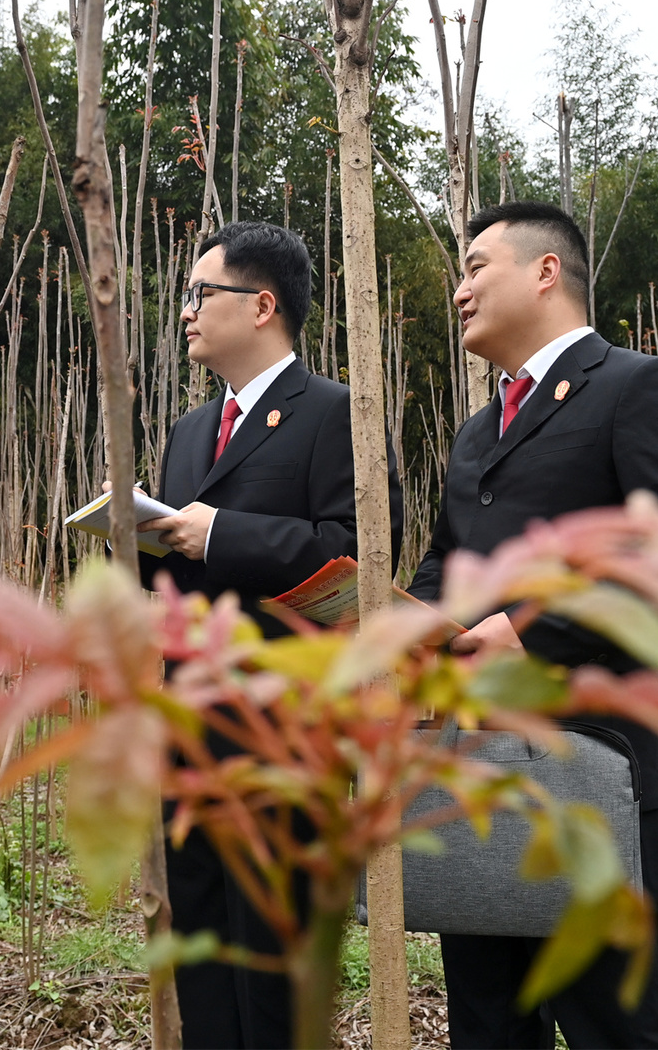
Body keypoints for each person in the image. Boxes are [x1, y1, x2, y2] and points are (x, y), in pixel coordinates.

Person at [407, 201, 658, 1049]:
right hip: (474, 773)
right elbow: (448, 562)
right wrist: (409, 627)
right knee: (487, 1023)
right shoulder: (477, 431)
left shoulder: (637, 385)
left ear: (545, 271)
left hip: (590, 765)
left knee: (622, 1023)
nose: (460, 290)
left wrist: (528, 630)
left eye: (476, 267)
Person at [136, 220, 404, 1049]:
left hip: (287, 731)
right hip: (189, 727)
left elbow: (358, 554)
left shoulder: (337, 415)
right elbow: (179, 563)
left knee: (274, 959)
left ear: (262, 305)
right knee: (204, 952)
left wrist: (220, 532)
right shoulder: (190, 430)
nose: (185, 310)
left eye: (200, 293)